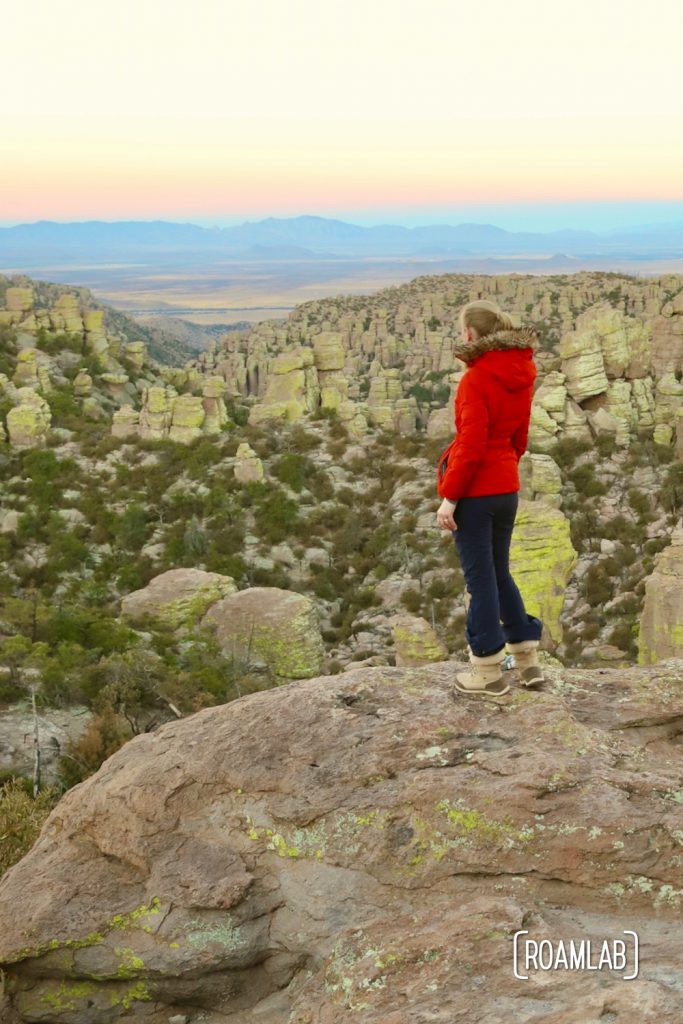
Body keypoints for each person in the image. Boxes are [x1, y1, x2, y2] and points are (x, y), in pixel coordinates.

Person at [435, 299, 545, 696]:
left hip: (477, 494)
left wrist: (450, 497)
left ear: (469, 335)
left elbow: (470, 444)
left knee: (480, 581)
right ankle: (528, 660)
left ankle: (486, 671)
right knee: (499, 573)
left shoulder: (475, 379)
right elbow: (520, 438)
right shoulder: (523, 371)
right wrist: (503, 470)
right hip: (507, 489)